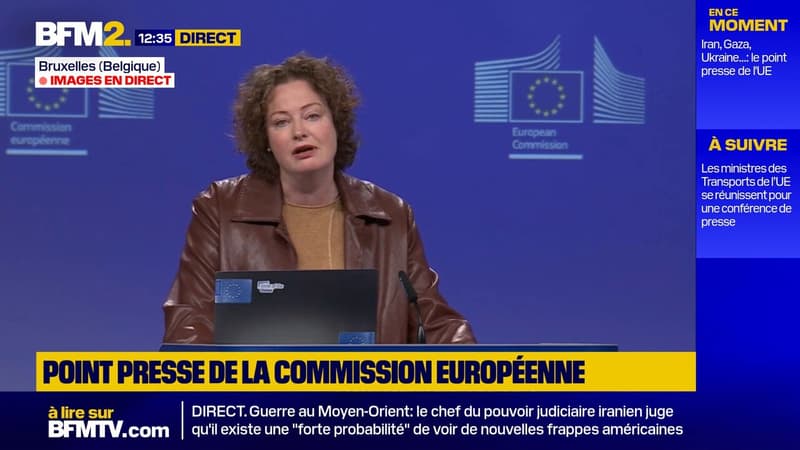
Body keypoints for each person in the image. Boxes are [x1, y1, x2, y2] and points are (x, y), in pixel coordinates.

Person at [162, 53, 475, 344]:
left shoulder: (390, 215)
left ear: (335, 124)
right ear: (266, 140)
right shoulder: (220, 208)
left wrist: (480, 368)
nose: (299, 131)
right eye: (281, 122)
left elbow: (432, 321)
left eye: (312, 116)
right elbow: (189, 322)